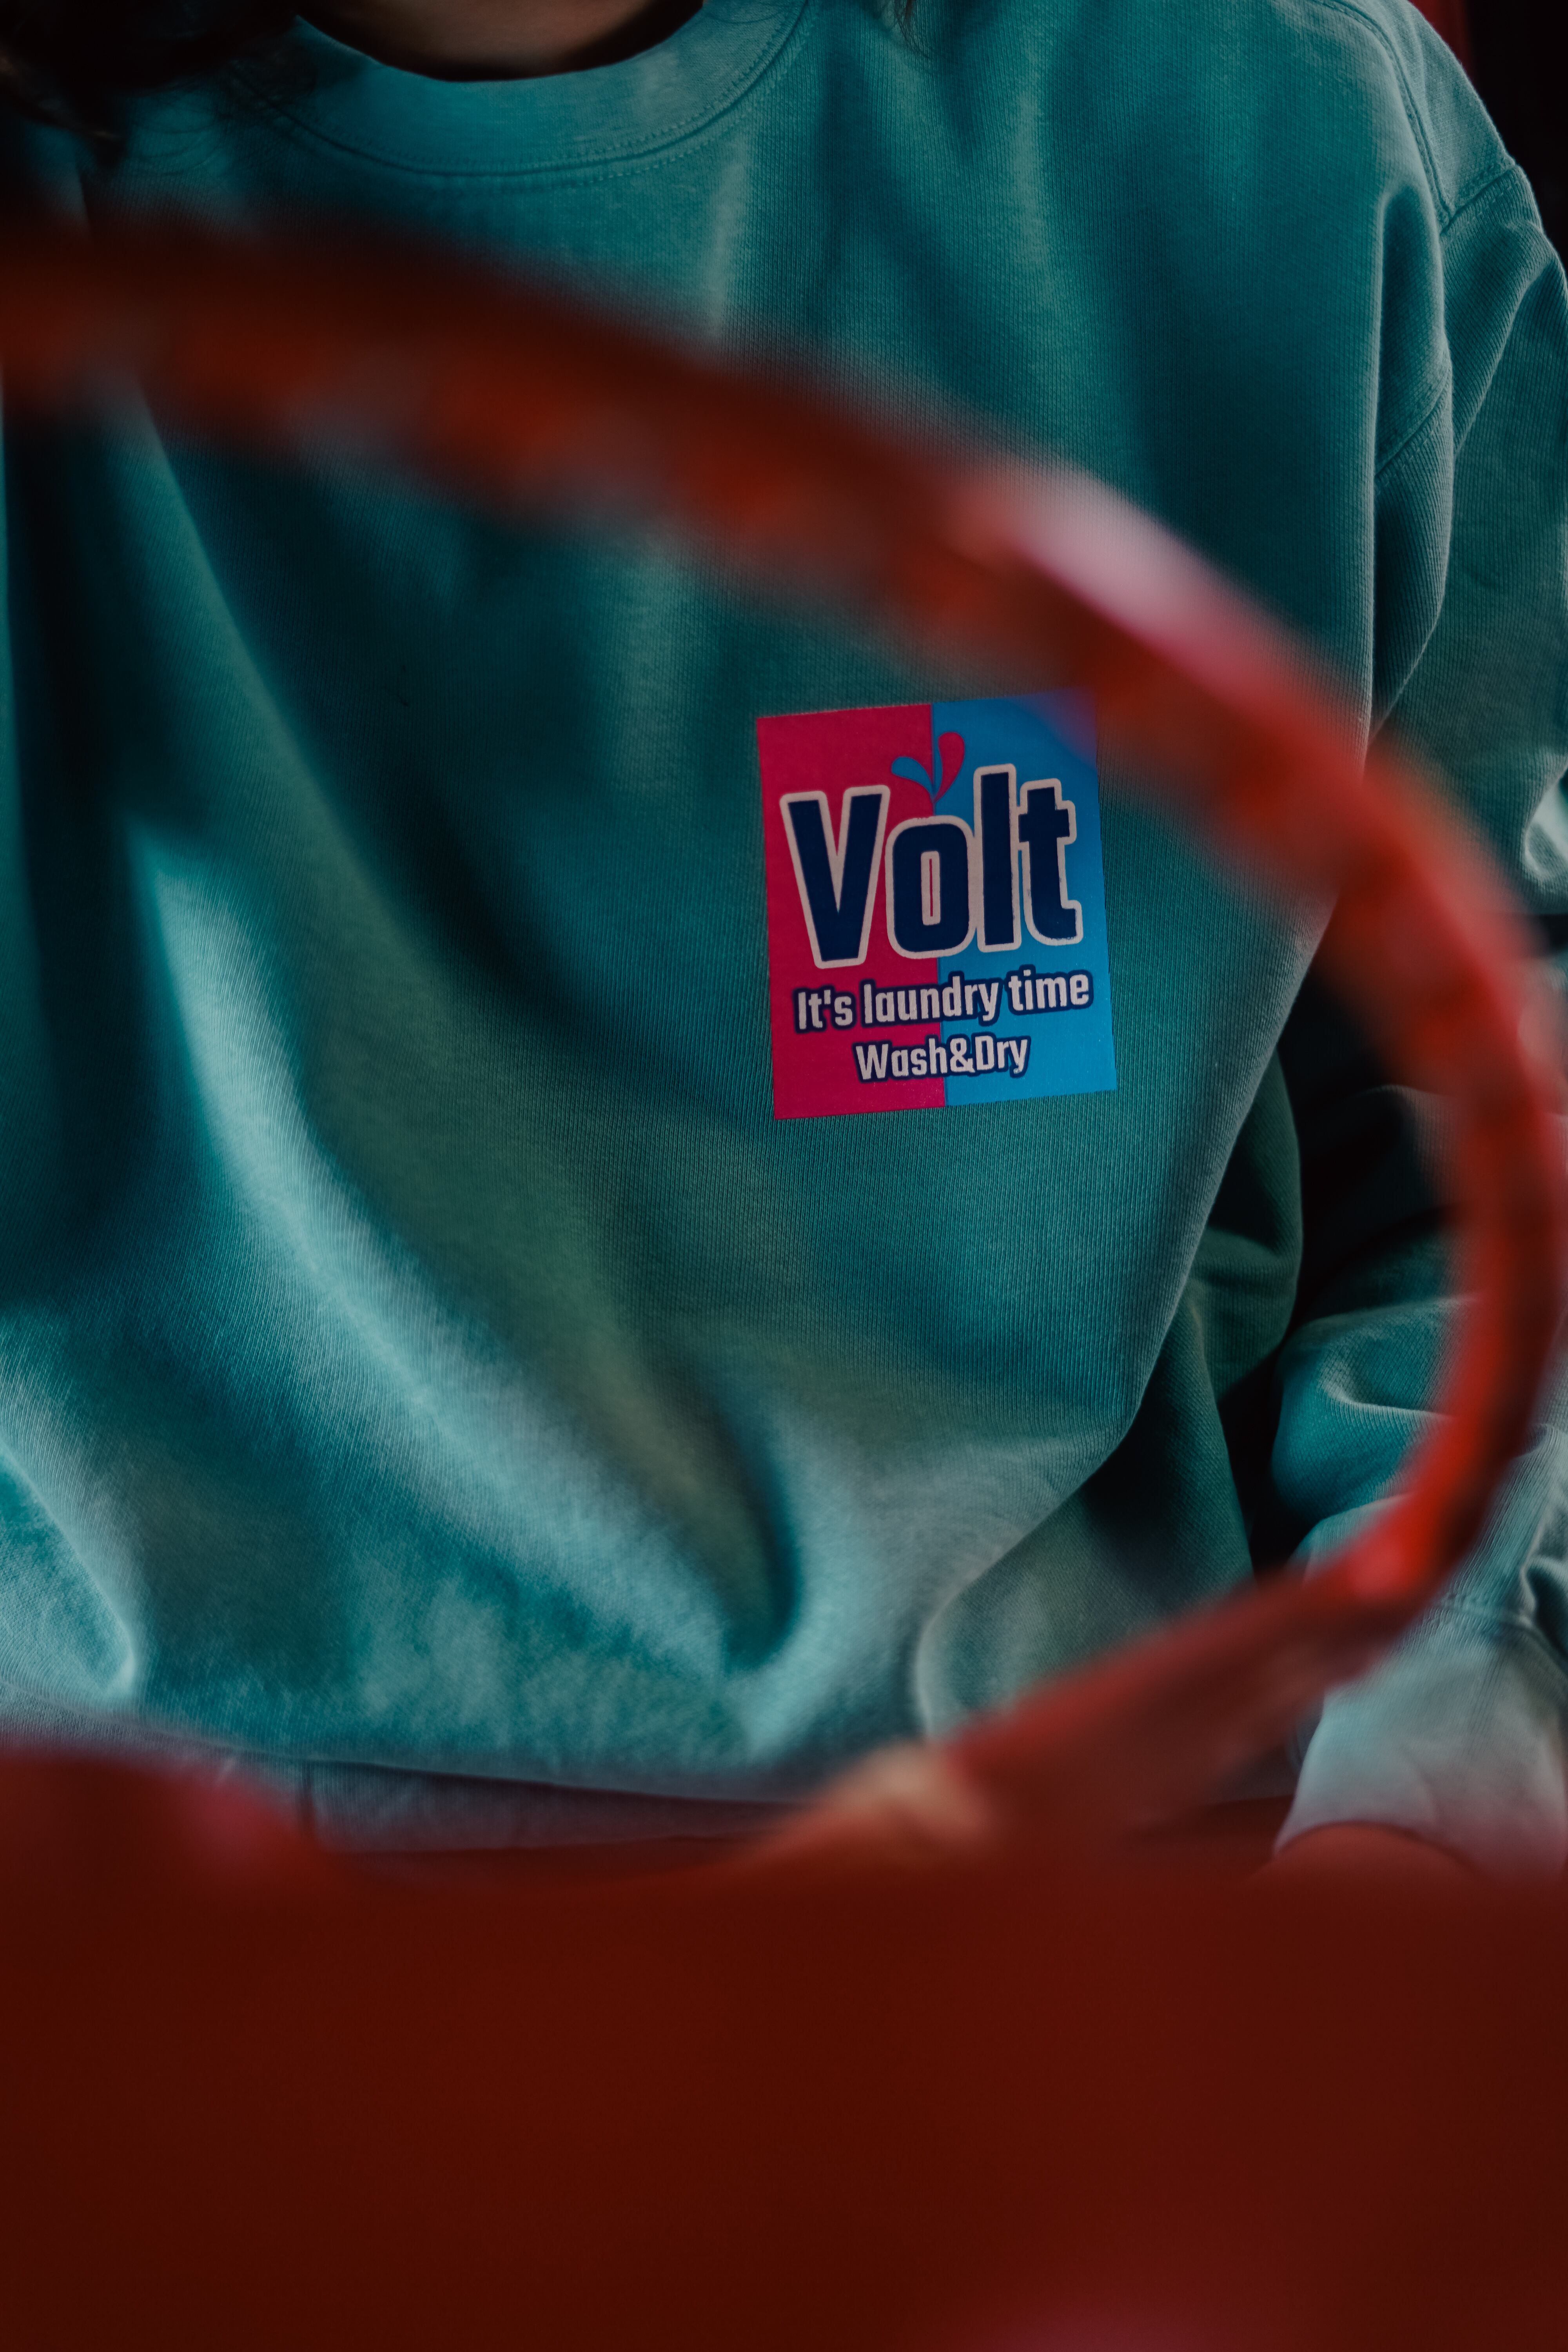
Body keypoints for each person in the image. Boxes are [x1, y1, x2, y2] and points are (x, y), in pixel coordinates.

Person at [0, 0, 1564, 1883]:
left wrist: (1415, 1847)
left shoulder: (1277, 123)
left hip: (1126, 1894)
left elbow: (1503, 1144)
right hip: (133, 1911)